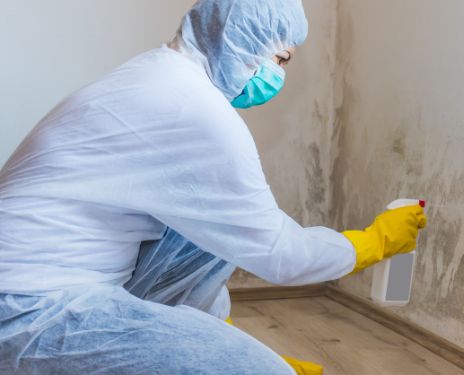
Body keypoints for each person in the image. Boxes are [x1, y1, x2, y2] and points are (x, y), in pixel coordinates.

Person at [0, 0, 426, 374]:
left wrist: (216, 342)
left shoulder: (153, 74)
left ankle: (206, 339)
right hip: (29, 312)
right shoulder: (196, 110)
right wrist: (375, 242)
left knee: (209, 230)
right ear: (242, 39)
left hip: (34, 285)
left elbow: (222, 237)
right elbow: (281, 255)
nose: (278, 76)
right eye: (280, 59)